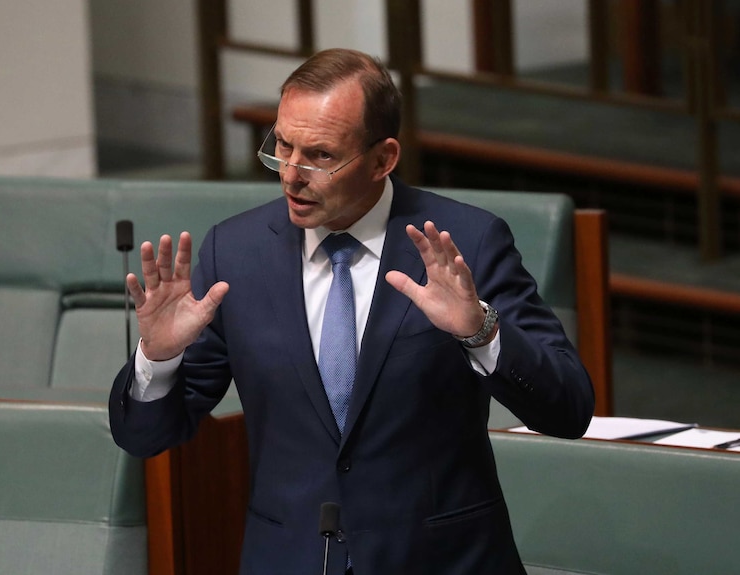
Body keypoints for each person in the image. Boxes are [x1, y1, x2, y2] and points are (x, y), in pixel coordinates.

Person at [109, 48, 594, 575]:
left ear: (383, 158)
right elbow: (146, 437)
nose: (291, 176)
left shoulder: (468, 244)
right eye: (282, 147)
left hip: (442, 560)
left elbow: (569, 408)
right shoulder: (236, 253)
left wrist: (480, 332)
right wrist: (157, 358)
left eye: (319, 155)